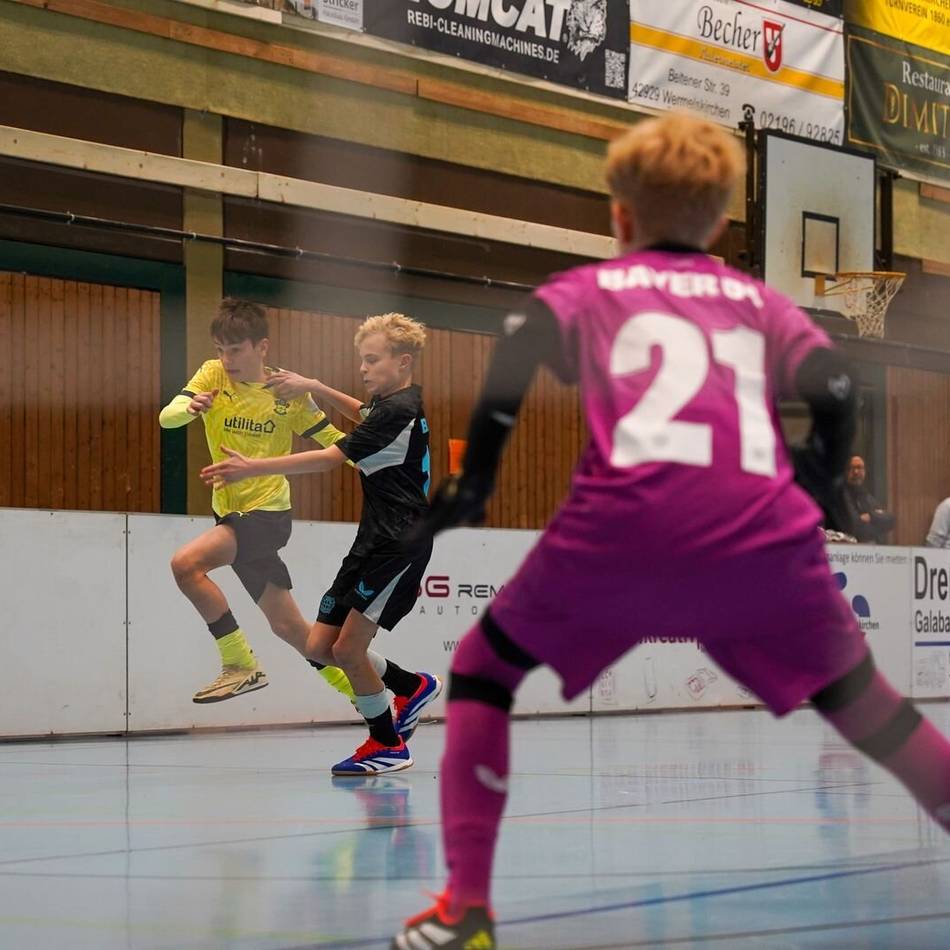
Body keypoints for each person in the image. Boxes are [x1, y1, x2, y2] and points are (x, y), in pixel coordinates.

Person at [390, 113, 950, 950]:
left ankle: (465, 909)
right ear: (722, 223)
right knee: (871, 710)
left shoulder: (590, 290)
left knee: (482, 671)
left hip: (626, 528)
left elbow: (515, 343)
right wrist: (822, 481)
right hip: (766, 539)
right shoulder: (759, 302)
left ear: (619, 217)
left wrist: (475, 484)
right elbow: (835, 382)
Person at [201, 313, 443, 775]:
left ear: (403, 361)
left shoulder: (399, 410)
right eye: (362, 361)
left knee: (348, 650)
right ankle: (411, 686)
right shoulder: (393, 404)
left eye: (372, 361)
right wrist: (315, 386)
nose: (364, 369)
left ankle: (387, 744)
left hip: (400, 541)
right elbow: (362, 413)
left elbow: (331, 460)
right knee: (319, 646)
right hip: (373, 538)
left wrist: (252, 466)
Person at [160, 298, 359, 705]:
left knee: (186, 564)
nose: (226, 359)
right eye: (220, 350)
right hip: (229, 512)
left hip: (266, 514)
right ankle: (369, 696)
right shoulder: (213, 375)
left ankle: (239, 665)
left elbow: (334, 442)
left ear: (261, 348)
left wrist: (381, 458)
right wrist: (189, 406)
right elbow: (169, 417)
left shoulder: (287, 392)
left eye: (236, 350)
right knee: (291, 628)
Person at [843, 455, 895, 543]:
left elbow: (890, 520)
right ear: (846, 472)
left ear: (865, 471)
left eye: (859, 468)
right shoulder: (841, 496)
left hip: (872, 551)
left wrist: (870, 516)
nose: (856, 472)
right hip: (848, 551)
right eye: (852, 468)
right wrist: (877, 521)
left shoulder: (866, 496)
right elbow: (854, 525)